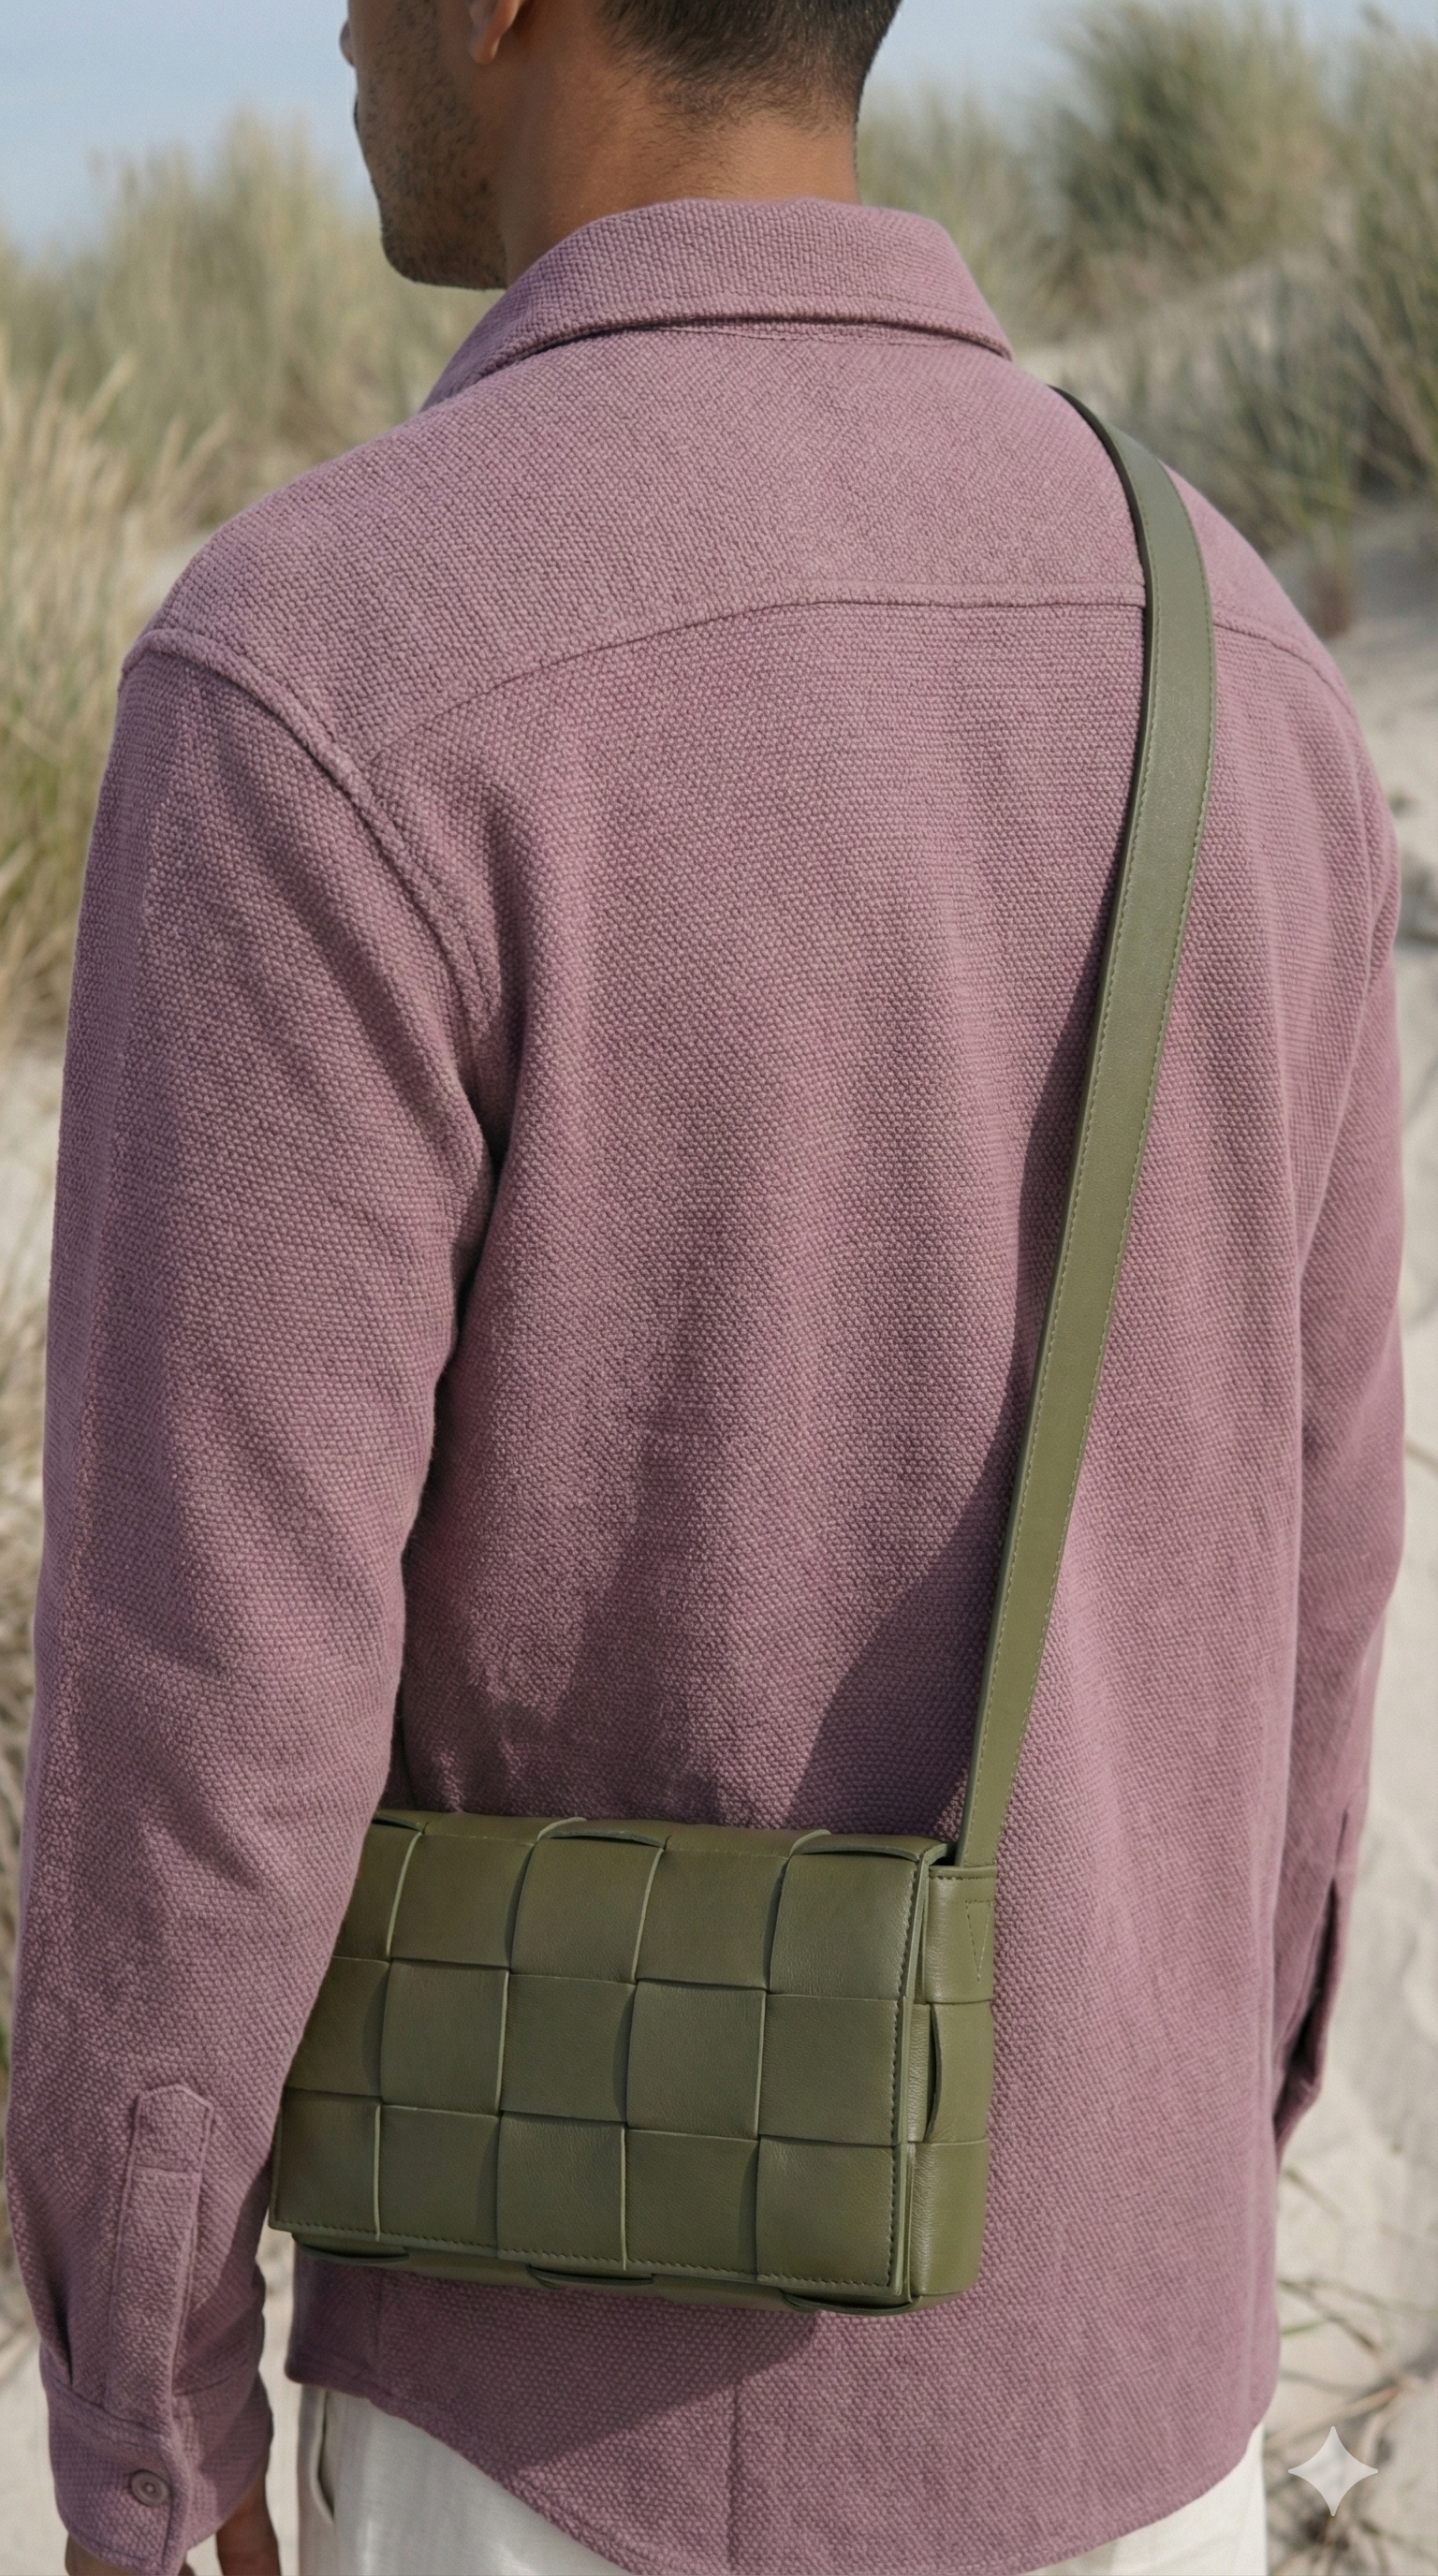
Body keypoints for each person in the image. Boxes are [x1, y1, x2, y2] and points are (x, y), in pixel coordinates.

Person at [7, 0, 1404, 2569]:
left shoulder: (318, 667)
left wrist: (146, 2416)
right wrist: (1194, 2156)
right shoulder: (1239, 651)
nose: (332, 20)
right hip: (1153, 2410)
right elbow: (1324, 1562)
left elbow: (207, 1699)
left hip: (564, 2444)